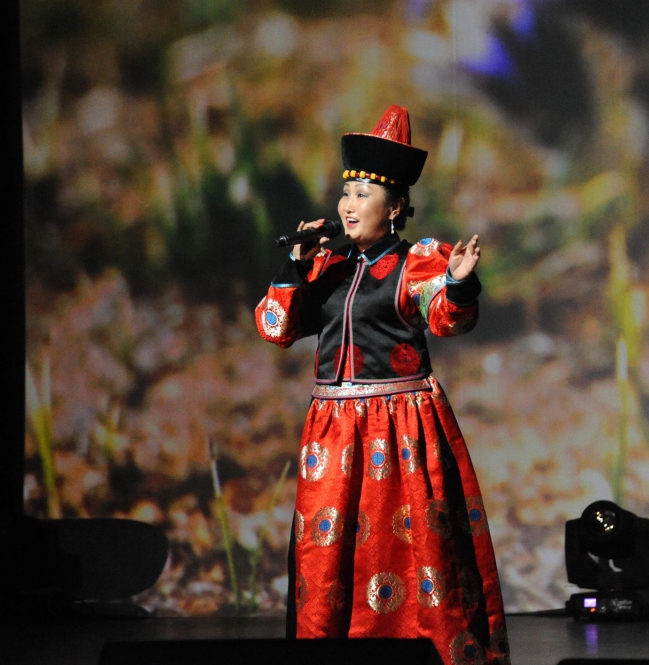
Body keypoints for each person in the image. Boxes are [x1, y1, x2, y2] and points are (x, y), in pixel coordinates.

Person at [255, 106, 510, 665]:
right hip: (332, 432)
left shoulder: (416, 263)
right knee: (328, 554)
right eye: (346, 193)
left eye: (363, 195)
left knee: (413, 549)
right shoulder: (326, 265)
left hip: (401, 430)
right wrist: (295, 267)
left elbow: (446, 317)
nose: (348, 205)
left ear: (394, 208)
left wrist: (458, 284)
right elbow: (276, 328)